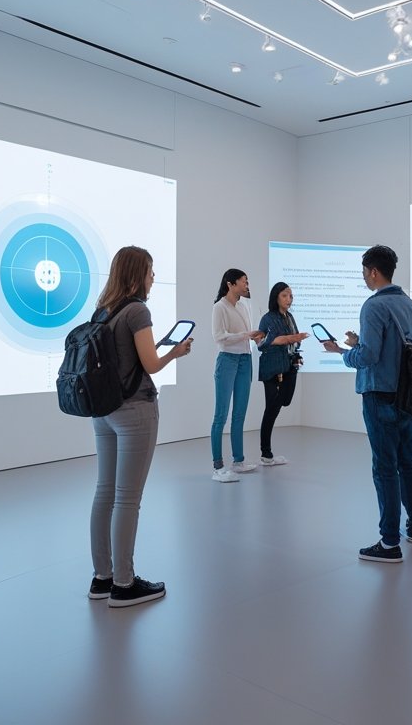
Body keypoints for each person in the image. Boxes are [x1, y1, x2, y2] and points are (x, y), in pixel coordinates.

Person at [88, 246, 192, 607]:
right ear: (136, 274)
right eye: (150, 271)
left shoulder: (103, 310)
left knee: (105, 493)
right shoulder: (137, 310)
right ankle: (124, 584)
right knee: (128, 499)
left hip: (103, 411)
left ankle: (102, 578)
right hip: (135, 411)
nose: (153, 278)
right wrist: (175, 352)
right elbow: (151, 363)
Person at [322, 245, 412, 564]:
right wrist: (359, 343)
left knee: (384, 466)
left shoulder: (373, 307)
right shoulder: (411, 305)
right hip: (409, 394)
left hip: (379, 394)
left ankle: (388, 542)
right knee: (408, 459)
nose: (363, 277)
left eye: (363, 271)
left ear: (372, 271)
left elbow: (369, 357)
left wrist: (343, 353)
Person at [210, 268, 265, 482]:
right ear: (230, 284)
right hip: (227, 361)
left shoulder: (242, 306)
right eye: (244, 281)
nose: (247, 285)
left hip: (244, 360)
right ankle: (218, 467)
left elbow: (245, 335)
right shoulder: (219, 307)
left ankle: (238, 461)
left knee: (240, 413)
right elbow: (219, 337)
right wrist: (246, 334)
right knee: (220, 415)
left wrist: (255, 338)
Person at [256, 282, 310, 465]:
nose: (289, 299)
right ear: (276, 297)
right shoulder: (267, 318)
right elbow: (262, 343)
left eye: (291, 296)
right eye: (285, 295)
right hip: (271, 367)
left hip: (289, 366)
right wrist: (290, 339)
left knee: (284, 401)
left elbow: (294, 340)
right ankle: (266, 454)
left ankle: (267, 454)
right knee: (271, 409)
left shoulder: (290, 317)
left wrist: (295, 343)